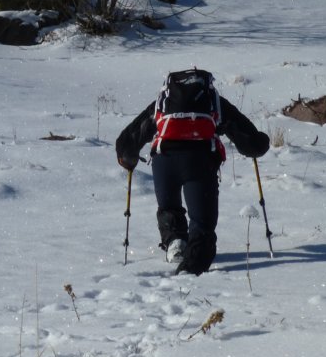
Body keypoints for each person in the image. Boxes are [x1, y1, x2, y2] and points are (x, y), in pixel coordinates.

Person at [115, 69, 270, 275]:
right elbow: (251, 142)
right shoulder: (213, 100)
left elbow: (126, 143)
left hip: (164, 161)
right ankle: (193, 267)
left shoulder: (163, 102)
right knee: (202, 223)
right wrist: (260, 144)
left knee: (169, 207)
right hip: (199, 161)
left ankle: (175, 242)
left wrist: (128, 160)